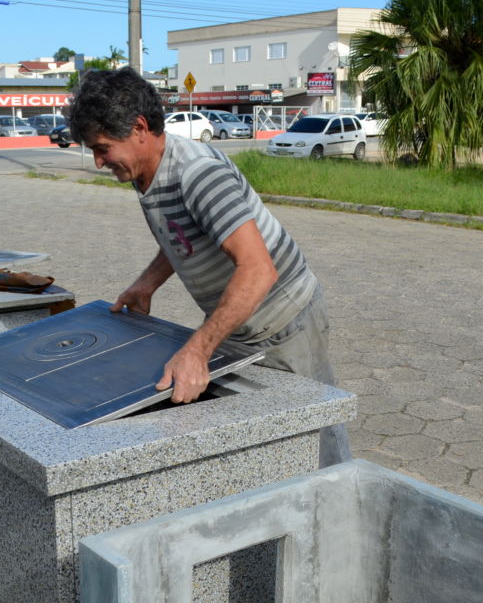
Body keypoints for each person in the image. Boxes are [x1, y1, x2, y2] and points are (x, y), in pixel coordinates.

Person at [67, 68, 350, 466]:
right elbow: (187, 234)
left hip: (285, 324)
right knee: (267, 451)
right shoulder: (145, 171)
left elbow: (258, 270)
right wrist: (146, 284)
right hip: (242, 326)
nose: (98, 161)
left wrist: (197, 351)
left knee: (316, 444)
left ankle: (339, 516)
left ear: (139, 128)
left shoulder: (198, 174)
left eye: (102, 147)